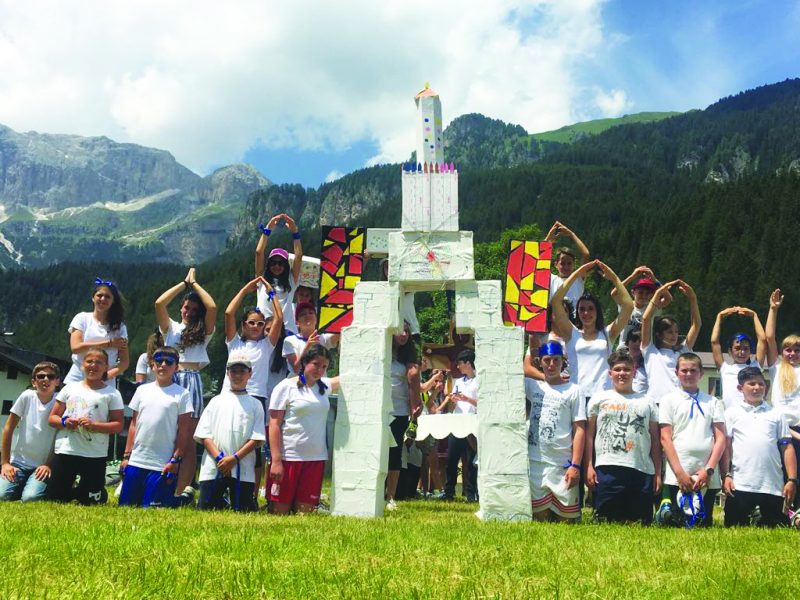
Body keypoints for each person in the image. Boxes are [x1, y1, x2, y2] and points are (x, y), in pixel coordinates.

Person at [155, 267, 217, 501]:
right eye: (186, 307)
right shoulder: (171, 327)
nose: (189, 312)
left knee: (188, 439)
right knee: (169, 433)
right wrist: (184, 283)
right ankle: (165, 483)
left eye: (193, 309)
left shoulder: (203, 332)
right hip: (170, 377)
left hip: (191, 380)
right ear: (180, 307)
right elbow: (159, 303)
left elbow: (212, 307)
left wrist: (196, 285)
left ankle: (181, 490)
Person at [223, 277, 284, 501]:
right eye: (251, 322)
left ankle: (251, 493)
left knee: (254, 447)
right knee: (228, 441)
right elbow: (229, 313)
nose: (256, 327)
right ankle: (225, 489)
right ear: (243, 325)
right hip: (229, 395)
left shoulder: (267, 345)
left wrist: (271, 295)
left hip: (256, 397)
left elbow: (279, 317)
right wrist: (245, 289)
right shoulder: (234, 343)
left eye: (260, 323)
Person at [585, 349, 661, 525]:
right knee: (605, 523)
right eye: (617, 369)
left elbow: (656, 440)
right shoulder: (598, 399)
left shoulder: (647, 402)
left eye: (627, 369)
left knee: (640, 524)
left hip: (641, 469)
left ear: (634, 372)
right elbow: (590, 435)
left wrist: (657, 473)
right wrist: (588, 466)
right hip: (607, 468)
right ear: (610, 373)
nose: (622, 373)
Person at [268, 344, 340, 514]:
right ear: (304, 362)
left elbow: (347, 378)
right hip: (289, 458)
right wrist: (276, 460)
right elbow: (274, 424)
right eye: (316, 364)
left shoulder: (323, 386)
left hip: (316, 458)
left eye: (324, 366)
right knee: (279, 513)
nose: (319, 370)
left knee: (304, 515)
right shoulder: (285, 387)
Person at [721, 367, 797, 527]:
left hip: (771, 485)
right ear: (740, 388)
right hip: (740, 484)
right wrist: (726, 475)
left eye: (761, 384)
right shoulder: (731, 413)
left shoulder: (776, 414)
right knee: (734, 527)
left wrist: (791, 480)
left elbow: (787, 448)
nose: (757, 388)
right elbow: (726, 447)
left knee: (775, 528)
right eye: (751, 384)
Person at [657, 353, 726, 527]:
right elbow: (665, 438)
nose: (688, 374)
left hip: (705, 471)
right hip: (678, 470)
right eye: (684, 370)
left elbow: (721, 438)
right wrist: (680, 473)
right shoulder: (668, 400)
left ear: (701, 373)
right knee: (677, 523)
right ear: (676, 373)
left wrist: (708, 470)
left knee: (702, 523)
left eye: (693, 370)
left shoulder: (713, 402)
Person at [47, 349, 124, 504]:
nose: (93, 366)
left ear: (106, 367)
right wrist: (65, 422)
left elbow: (118, 425)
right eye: (89, 361)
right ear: (82, 364)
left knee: (91, 501)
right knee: (55, 498)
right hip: (67, 449)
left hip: (94, 453)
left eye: (99, 362)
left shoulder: (112, 394)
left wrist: (94, 425)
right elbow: (52, 418)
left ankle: (89, 491)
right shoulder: (69, 388)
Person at [118, 346, 192, 508]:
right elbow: (133, 424)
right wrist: (126, 456)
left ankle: (182, 499)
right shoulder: (142, 390)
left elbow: (184, 431)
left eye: (169, 362)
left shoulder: (182, 394)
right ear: (152, 365)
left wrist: (175, 460)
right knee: (126, 508)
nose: (163, 365)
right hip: (136, 461)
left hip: (161, 464)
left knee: (152, 509)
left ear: (176, 367)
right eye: (159, 361)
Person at [550, 259, 634, 401]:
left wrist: (613, 277)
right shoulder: (572, 333)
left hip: (604, 397)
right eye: (582, 309)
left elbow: (628, 306)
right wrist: (577, 274)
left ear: (597, 311)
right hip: (576, 396)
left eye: (590, 309)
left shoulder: (608, 334)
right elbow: (556, 300)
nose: (586, 313)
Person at [194, 353, 266, 512]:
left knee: (243, 511)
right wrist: (221, 459)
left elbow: (256, 439)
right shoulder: (215, 401)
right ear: (227, 373)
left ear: (250, 373)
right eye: (234, 371)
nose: (238, 375)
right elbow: (205, 435)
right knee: (206, 511)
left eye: (242, 371)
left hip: (242, 467)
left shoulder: (255, 405)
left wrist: (233, 459)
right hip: (215, 466)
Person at [525, 342, 585, 522]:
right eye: (547, 360)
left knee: (566, 520)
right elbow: (522, 368)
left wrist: (575, 465)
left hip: (562, 462)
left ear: (563, 362)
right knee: (539, 518)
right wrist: (531, 341)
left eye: (556, 360)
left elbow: (580, 429)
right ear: (540, 362)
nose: (551, 365)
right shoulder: (533, 386)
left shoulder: (574, 391)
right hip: (536, 461)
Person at [0, 362, 61, 502]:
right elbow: (8, 428)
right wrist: (5, 463)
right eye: (40, 376)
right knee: (1, 496)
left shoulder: (60, 402)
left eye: (50, 376)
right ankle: (20, 486)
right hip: (18, 464)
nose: (45, 379)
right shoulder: (27, 396)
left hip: (42, 466)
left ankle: (27, 488)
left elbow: (60, 437)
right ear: (34, 382)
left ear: (57, 381)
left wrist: (49, 464)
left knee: (30, 498)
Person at [640, 279, 702, 406]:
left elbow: (696, 325)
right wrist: (657, 295)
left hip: (679, 403)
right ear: (658, 334)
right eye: (669, 332)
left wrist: (693, 299)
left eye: (676, 332)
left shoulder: (683, 352)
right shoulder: (650, 351)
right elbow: (646, 319)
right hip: (655, 403)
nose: (674, 335)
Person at [64, 278, 129, 386]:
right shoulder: (82, 318)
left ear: (113, 301)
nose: (103, 299)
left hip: (105, 381)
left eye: (107, 297)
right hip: (78, 377)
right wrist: (109, 343)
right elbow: (75, 348)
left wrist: (107, 375)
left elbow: (124, 362)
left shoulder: (120, 327)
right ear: (93, 298)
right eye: (99, 295)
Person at [386, 322, 421, 511]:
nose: (404, 334)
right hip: (381, 410)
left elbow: (414, 386)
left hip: (399, 412)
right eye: (401, 330)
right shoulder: (383, 351)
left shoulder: (408, 358)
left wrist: (415, 408)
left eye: (407, 331)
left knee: (395, 452)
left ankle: (390, 496)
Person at [765, 289, 800, 458]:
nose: (792, 353)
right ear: (782, 351)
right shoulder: (777, 367)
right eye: (788, 350)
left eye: (797, 350)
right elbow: (769, 337)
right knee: (783, 477)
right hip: (781, 428)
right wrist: (773, 309)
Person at [441, 349, 479, 502]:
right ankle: (448, 492)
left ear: (468, 363)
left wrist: (467, 399)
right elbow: (455, 398)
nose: (458, 367)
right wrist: (455, 399)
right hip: (458, 422)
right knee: (452, 460)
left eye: (460, 364)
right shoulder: (458, 382)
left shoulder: (479, 381)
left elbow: (482, 403)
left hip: (472, 423)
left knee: (470, 461)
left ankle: (471, 494)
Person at [710, 306, 766, 408]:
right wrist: (719, 317)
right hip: (730, 418)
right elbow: (714, 342)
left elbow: (762, 340)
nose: (742, 352)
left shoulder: (755, 366)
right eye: (737, 348)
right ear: (730, 351)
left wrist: (754, 316)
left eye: (746, 348)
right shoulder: (725, 368)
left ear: (750, 351)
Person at [255, 213, 303, 333]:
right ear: (269, 264)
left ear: (286, 266)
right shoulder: (262, 280)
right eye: (273, 263)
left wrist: (295, 232)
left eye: (281, 263)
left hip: (287, 331)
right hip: (264, 330)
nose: (277, 266)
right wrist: (267, 230)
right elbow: (258, 252)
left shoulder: (291, 280)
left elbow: (298, 256)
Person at [612, 266, 672, 348]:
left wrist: (654, 279)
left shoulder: (651, 307)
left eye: (647, 293)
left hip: (644, 351)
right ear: (633, 293)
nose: (644, 296)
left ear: (651, 295)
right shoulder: (626, 305)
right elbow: (614, 293)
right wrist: (632, 276)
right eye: (640, 292)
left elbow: (668, 299)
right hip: (624, 350)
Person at [282, 302, 339, 376]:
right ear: (297, 322)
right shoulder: (290, 340)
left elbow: (341, 332)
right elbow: (296, 369)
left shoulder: (323, 338)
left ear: (316, 319)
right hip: (298, 384)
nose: (307, 315)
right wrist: (308, 346)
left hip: (319, 384)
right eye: (303, 314)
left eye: (311, 313)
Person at [544, 221, 590, 312]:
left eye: (569, 263)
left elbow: (586, 254)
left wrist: (571, 234)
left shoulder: (578, 278)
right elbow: (538, 261)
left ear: (574, 264)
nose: (566, 267)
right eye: (562, 263)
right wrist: (548, 238)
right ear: (555, 264)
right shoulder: (551, 279)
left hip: (574, 323)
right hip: (554, 322)